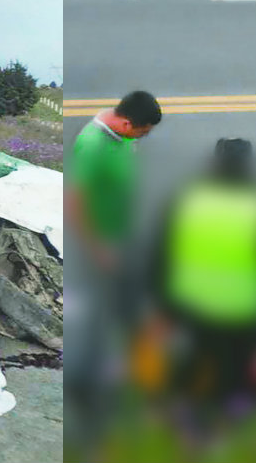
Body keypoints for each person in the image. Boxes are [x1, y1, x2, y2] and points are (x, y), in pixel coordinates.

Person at [146, 138, 256, 436]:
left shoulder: (187, 200)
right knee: (238, 364)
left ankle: (188, 414)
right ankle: (230, 415)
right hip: (246, 304)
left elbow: (162, 254)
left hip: (194, 301)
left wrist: (164, 307)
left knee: (199, 356)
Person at [65, 90, 162, 455]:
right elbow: (76, 201)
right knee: (101, 317)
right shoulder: (93, 146)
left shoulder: (119, 131)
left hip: (122, 238)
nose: (143, 138)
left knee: (133, 307)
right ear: (126, 124)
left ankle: (137, 375)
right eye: (144, 132)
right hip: (102, 248)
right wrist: (98, 249)